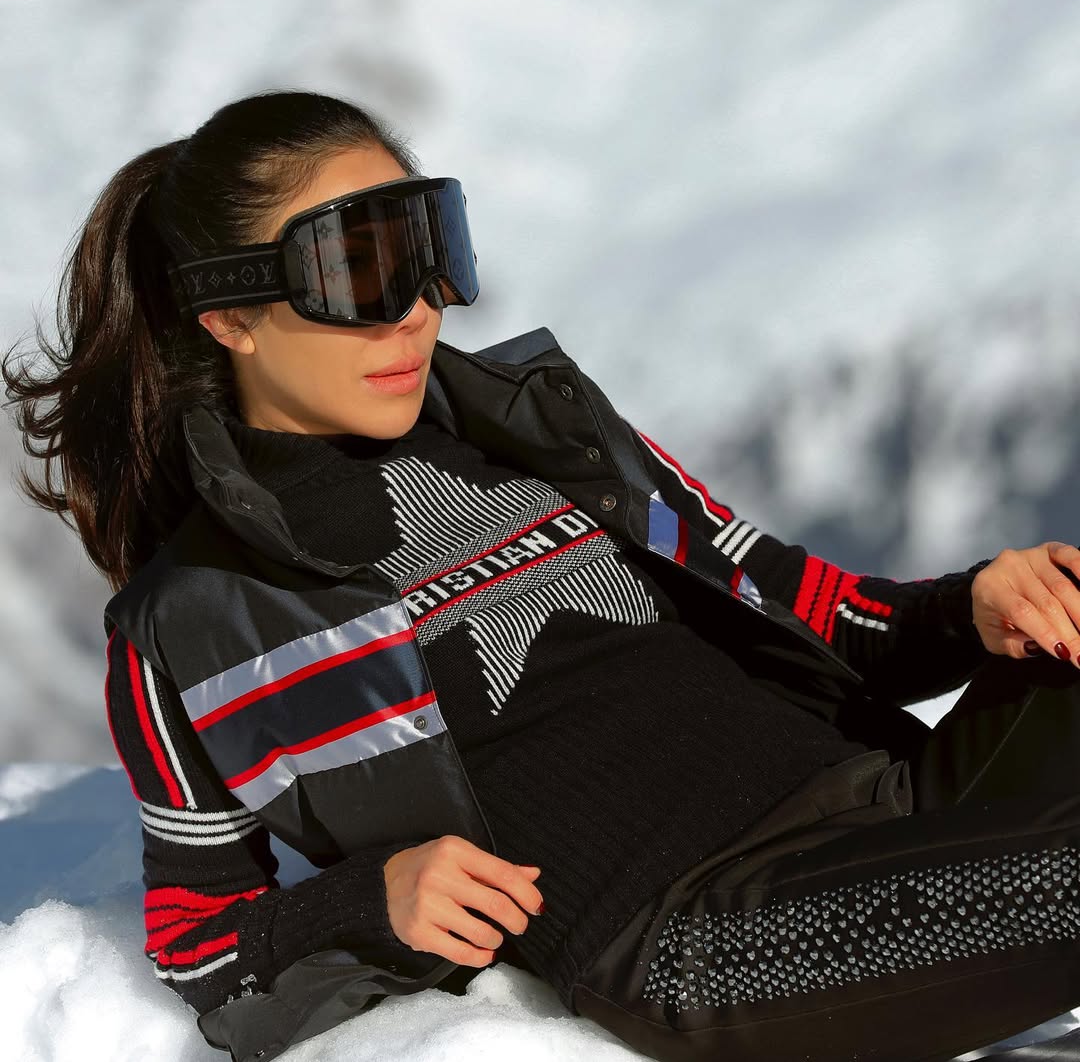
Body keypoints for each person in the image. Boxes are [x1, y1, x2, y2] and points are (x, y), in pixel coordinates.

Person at [5, 88, 1080, 1062]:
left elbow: (807, 606)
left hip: (897, 797)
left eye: (430, 251)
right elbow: (199, 941)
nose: (416, 307)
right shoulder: (193, 618)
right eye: (358, 269)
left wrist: (973, 609)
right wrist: (371, 900)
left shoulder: (546, 430)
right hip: (713, 941)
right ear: (230, 315)